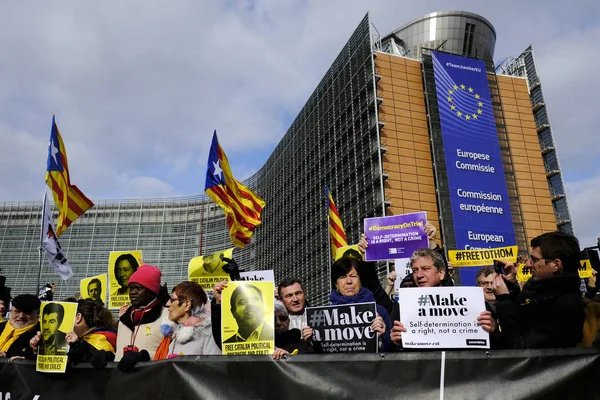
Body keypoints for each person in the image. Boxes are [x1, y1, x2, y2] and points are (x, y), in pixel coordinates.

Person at [493, 232, 585, 349]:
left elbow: (521, 347)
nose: (527, 264)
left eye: (534, 260)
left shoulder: (564, 305)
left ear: (556, 264)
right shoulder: (544, 290)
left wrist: (504, 300)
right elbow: (521, 316)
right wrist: (511, 286)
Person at [390, 248, 496, 347]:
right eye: (415, 270)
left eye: (425, 269)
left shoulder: (470, 303)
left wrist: (490, 330)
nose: (419, 275)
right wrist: (398, 343)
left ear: (441, 273)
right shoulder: (404, 308)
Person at [303, 257, 391, 352]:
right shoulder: (323, 316)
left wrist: (383, 337)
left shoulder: (379, 311)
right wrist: (311, 342)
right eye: (343, 277)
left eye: (353, 276)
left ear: (360, 280)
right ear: (336, 284)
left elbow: (391, 351)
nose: (349, 281)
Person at [30, 299, 117, 367]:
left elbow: (97, 363)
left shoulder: (101, 339)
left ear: (78, 317)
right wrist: (37, 350)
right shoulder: (76, 339)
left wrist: (77, 346)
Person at [115, 264, 169, 365]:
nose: (133, 292)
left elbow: (170, 354)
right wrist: (108, 355)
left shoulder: (166, 316)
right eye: (131, 288)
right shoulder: (124, 318)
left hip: (149, 378)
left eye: (138, 288)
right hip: (120, 378)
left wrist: (145, 356)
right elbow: (118, 353)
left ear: (151, 290)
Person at [163, 281, 220, 356]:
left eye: (172, 299)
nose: (167, 304)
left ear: (186, 305)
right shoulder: (175, 337)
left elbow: (215, 365)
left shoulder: (209, 336)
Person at [0, 294, 40, 359]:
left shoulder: (42, 334)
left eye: (27, 312)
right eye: (17, 311)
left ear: (38, 313)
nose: (21, 316)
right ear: (11, 310)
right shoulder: (1, 326)